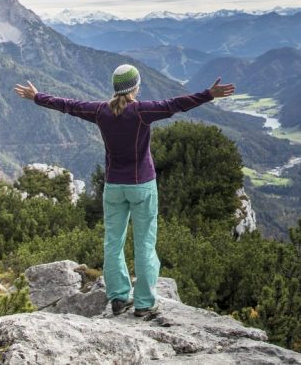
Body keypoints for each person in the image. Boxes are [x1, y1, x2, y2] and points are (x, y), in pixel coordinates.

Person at [14, 64, 235, 317]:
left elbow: (69, 105)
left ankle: (118, 297)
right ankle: (143, 303)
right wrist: (209, 94)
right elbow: (176, 104)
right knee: (144, 244)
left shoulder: (100, 111)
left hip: (114, 187)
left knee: (113, 242)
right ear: (135, 87)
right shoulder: (141, 112)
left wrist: (37, 96)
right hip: (142, 186)